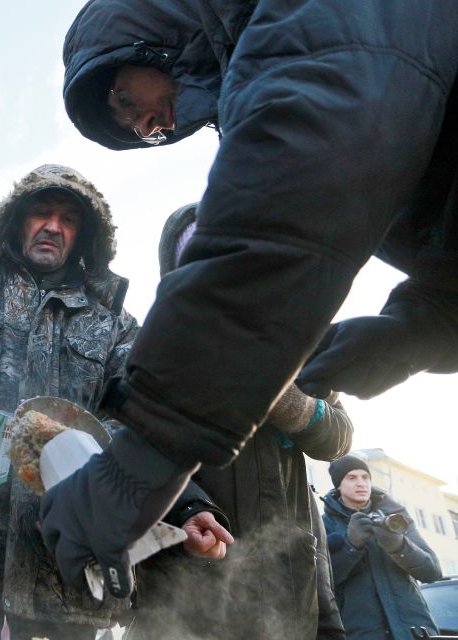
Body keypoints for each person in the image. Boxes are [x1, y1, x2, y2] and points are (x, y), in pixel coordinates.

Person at [41, 0, 458, 599]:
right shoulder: (146, 348)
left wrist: (149, 454)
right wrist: (428, 321)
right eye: (134, 127)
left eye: (127, 101)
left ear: (155, 31)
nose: (146, 125)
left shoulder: (311, 21)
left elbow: (301, 186)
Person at [0, 164, 232, 640]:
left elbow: (148, 426)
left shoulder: (116, 325)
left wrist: (188, 507)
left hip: (65, 584)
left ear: (84, 236)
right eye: (42, 212)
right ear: (17, 219)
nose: (53, 226)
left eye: (68, 219)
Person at [124, 204, 353, 640]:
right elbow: (133, 448)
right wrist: (190, 507)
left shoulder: (302, 343)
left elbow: (338, 438)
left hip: (292, 594)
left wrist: (296, 408)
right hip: (189, 596)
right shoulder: (155, 350)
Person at [323, 455, 442, 639]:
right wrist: (351, 547)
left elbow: (432, 572)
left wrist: (399, 546)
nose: (361, 483)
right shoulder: (324, 524)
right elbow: (321, 585)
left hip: (415, 631)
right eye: (352, 478)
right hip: (360, 633)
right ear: (338, 484)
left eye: (365, 477)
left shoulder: (396, 516)